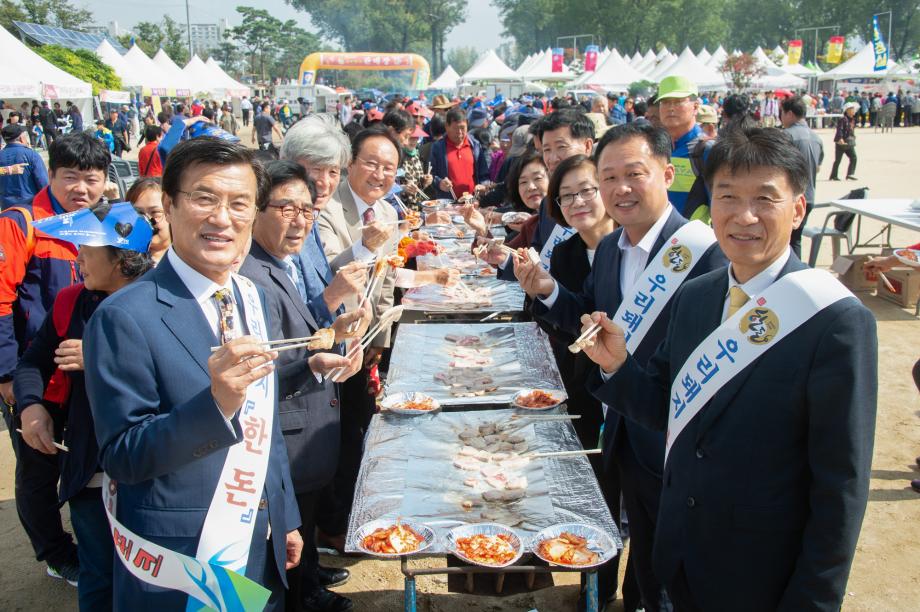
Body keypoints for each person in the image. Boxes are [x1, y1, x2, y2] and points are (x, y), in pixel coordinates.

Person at [581, 127, 877, 611]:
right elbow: (664, 405)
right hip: (678, 553)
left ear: (798, 209)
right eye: (728, 197)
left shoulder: (833, 320)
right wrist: (617, 366)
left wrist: (812, 601)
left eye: (765, 199)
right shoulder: (696, 296)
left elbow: (840, 486)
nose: (744, 216)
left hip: (762, 574)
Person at [84, 137, 303, 609]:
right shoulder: (124, 316)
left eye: (239, 204)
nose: (222, 218)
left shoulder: (252, 298)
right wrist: (216, 405)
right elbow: (122, 455)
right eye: (205, 199)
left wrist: (283, 513)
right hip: (180, 557)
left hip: (258, 536)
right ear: (168, 206)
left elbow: (265, 423)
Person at [519, 123, 727, 612]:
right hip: (625, 432)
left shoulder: (706, 253)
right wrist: (549, 289)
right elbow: (591, 319)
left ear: (667, 173)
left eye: (634, 173)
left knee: (677, 570)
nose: (621, 188)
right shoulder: (612, 250)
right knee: (645, 559)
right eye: (609, 177)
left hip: (679, 444)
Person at [239, 160, 366, 612]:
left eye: (307, 210)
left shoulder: (286, 261)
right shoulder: (251, 275)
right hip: (286, 425)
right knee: (289, 521)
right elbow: (264, 363)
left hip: (310, 416)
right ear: (257, 210)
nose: (300, 221)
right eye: (286, 208)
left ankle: (310, 572)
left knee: (305, 513)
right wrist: (312, 362)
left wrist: (338, 330)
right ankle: (302, 593)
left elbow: (306, 331)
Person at [15, 202, 153, 609]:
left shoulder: (167, 304)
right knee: (98, 570)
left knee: (152, 577)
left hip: (151, 471)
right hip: (89, 467)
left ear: (122, 260)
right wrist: (31, 406)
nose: (78, 259)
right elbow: (33, 362)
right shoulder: (71, 301)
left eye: (88, 250)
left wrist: (98, 358)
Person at [0, 132, 113, 587]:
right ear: (49, 174)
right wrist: (8, 375)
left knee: (85, 460)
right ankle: (55, 552)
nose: (81, 189)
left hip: (87, 377)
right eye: (70, 177)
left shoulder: (105, 224)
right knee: (38, 465)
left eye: (91, 178)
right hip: (36, 375)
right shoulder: (23, 223)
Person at [656, 76, 711, 222]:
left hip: (695, 234)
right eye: (665, 102)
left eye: (678, 101)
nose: (670, 108)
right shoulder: (653, 148)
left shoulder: (707, 150)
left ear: (695, 107)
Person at [781, 96, 823, 258]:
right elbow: (818, 167)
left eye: (782, 113)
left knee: (786, 242)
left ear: (790, 114)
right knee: (795, 239)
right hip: (809, 196)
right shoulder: (816, 138)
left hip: (791, 197)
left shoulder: (786, 135)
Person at [430, 107, 490, 200]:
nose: (459, 132)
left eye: (462, 128)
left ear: (467, 125)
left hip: (472, 201)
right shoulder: (438, 148)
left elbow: (484, 174)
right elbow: (431, 175)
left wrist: (483, 185)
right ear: (446, 126)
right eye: (455, 128)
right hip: (448, 203)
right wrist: (439, 183)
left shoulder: (475, 146)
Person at [0, 124, 49, 209]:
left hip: (7, 209)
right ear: (21, 138)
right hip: (30, 207)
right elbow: (43, 183)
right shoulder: (31, 155)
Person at [126, 178, 170, 265]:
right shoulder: (121, 266)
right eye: (138, 213)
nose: (146, 220)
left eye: (155, 212)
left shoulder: (190, 261)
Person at [829, 102, 858, 181]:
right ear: (847, 110)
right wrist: (840, 138)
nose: (854, 111)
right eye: (852, 109)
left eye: (853, 109)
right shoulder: (843, 119)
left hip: (849, 142)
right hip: (841, 143)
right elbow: (840, 129)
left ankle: (850, 174)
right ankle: (833, 176)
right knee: (838, 160)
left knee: (854, 157)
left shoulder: (853, 120)